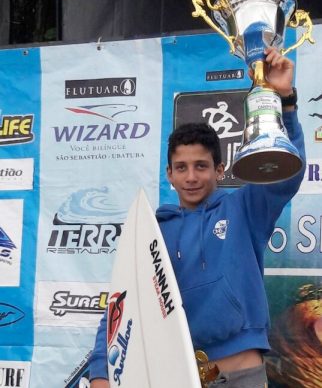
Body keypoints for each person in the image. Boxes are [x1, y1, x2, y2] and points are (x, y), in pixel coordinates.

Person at [88, 47, 306, 388]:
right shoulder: (152, 232)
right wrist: (101, 371)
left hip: (242, 374)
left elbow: (286, 172)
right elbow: (120, 304)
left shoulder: (245, 209)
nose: (191, 177)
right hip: (177, 378)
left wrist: (286, 102)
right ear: (169, 174)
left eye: (201, 166)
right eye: (182, 168)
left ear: (220, 170)